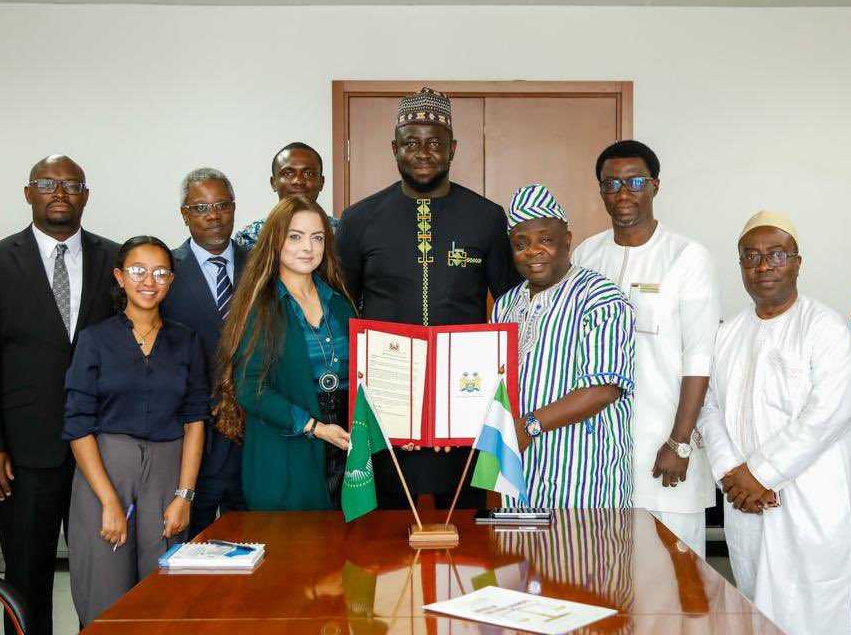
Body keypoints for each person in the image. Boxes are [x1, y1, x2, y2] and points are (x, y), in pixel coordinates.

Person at [0, 155, 118, 635]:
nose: (60, 191)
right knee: (26, 575)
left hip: (104, 447)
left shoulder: (114, 258)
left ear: (85, 194)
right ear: (28, 193)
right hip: (24, 452)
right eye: (47, 183)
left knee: (105, 574)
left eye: (71, 184)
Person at [337, 87, 518, 510]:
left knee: (465, 517)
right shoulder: (359, 219)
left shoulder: (487, 218)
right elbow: (343, 306)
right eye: (412, 143)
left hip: (465, 393)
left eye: (435, 143)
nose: (424, 153)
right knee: (384, 525)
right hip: (385, 392)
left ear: (452, 149)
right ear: (394, 149)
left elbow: (510, 304)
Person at [696, 210, 851, 635]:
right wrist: (731, 475)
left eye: (776, 255)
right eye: (750, 257)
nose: (762, 267)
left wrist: (760, 473)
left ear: (797, 262)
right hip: (746, 503)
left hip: (812, 502)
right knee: (756, 610)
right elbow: (707, 404)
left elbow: (827, 414)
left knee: (816, 612)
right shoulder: (727, 333)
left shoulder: (827, 329)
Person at [573, 140, 718, 557]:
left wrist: (679, 441)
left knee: (674, 588)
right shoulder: (587, 254)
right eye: (611, 183)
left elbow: (699, 357)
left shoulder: (687, 257)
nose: (623, 193)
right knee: (603, 577)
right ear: (600, 190)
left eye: (635, 181)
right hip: (597, 454)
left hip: (663, 450)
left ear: (655, 186)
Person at [62, 236, 208, 627]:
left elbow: (196, 420)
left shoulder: (186, 341)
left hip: (167, 472)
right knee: (104, 596)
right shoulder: (94, 340)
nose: (149, 280)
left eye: (161, 272)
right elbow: (78, 424)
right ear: (120, 277)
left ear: (171, 280)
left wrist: (184, 496)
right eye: (138, 271)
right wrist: (109, 501)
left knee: (162, 593)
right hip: (106, 470)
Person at [490, 184, 634, 508]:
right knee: (520, 557)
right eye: (521, 244)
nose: (533, 251)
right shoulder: (505, 306)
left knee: (582, 558)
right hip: (519, 474)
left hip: (583, 479)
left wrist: (530, 424)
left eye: (546, 240)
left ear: (567, 241)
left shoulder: (600, 297)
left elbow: (604, 387)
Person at [214, 197, 356, 510]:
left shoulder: (340, 303)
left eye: (317, 238)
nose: (308, 247)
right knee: (298, 552)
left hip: (345, 445)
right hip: (289, 448)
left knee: (347, 551)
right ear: (275, 242)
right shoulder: (261, 307)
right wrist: (315, 428)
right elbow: (251, 390)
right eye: (295, 236)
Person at [162, 167, 250, 538]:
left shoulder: (262, 264)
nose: (213, 216)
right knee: (191, 546)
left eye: (222, 205)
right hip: (192, 436)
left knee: (255, 539)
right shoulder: (164, 270)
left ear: (233, 208)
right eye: (201, 208)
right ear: (184, 214)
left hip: (253, 434)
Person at [233, 142, 338, 248]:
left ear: (321, 182)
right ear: (273, 183)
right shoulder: (249, 238)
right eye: (288, 174)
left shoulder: (341, 231)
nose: (299, 181)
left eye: (308, 174)